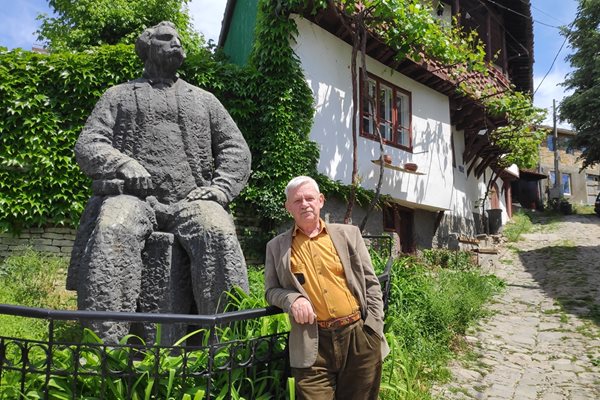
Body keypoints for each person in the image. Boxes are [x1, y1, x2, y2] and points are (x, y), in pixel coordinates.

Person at [66, 21, 251, 343]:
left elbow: (235, 147)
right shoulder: (118, 96)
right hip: (134, 198)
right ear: (147, 47)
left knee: (218, 233)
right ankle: (104, 347)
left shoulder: (204, 100)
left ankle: (229, 346)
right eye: (167, 39)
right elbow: (89, 143)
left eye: (179, 40)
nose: (177, 44)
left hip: (192, 199)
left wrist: (220, 188)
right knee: (113, 228)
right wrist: (122, 163)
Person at [264, 176, 389, 399]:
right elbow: (270, 291)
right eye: (297, 200)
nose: (304, 204)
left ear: (320, 200)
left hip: (358, 338)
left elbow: (371, 282)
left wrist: (373, 327)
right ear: (288, 207)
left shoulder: (348, 235)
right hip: (312, 342)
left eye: (309, 198)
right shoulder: (276, 247)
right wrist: (292, 299)